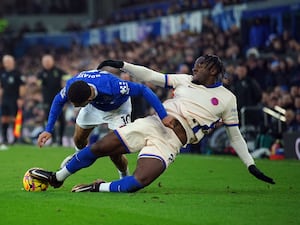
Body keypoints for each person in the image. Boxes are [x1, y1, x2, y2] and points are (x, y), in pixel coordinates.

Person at [30, 55, 275, 193]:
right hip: (152, 123)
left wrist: (250, 164)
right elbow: (151, 77)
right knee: (99, 147)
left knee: (138, 182)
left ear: (213, 70)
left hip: (171, 142)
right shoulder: (184, 80)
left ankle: (98, 187)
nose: (194, 68)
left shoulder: (228, 99)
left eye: (199, 66)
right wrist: (124, 65)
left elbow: (235, 136)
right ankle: (58, 177)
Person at [36, 68, 167, 179]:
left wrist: (163, 115)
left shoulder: (114, 86)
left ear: (89, 98)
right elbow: (58, 100)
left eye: (77, 105)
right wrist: (48, 129)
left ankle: (124, 176)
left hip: (118, 110)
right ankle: (78, 157)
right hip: (94, 107)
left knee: (114, 152)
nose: (74, 107)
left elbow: (143, 90)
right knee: (78, 139)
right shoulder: (73, 84)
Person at [37, 54, 67, 146]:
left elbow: (68, 79)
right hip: (47, 101)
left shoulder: (59, 71)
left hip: (59, 101)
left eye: (48, 61)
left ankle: (60, 140)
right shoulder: (41, 74)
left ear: (52, 61)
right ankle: (53, 140)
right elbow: (39, 86)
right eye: (45, 62)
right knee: (48, 120)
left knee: (61, 120)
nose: (46, 63)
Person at [0, 55, 26, 150]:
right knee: (4, 119)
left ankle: (16, 138)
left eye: (8, 61)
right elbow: (1, 87)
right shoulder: (2, 74)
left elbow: (22, 87)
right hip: (5, 99)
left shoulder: (17, 73)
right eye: (5, 61)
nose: (6, 63)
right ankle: (5, 139)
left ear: (12, 62)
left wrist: (20, 98)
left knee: (16, 120)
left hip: (15, 99)